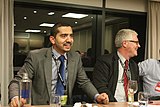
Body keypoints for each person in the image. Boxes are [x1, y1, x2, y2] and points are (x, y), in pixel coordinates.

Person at [8, 22, 109, 107]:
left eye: (71, 36)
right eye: (64, 36)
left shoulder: (75, 57)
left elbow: (84, 82)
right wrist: (15, 97)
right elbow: (17, 81)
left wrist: (97, 96)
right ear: (52, 40)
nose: (69, 40)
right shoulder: (36, 57)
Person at [92, 29, 141, 102]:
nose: (139, 46)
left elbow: (136, 90)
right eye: (136, 42)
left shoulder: (133, 65)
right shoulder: (105, 61)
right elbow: (101, 87)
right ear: (125, 43)